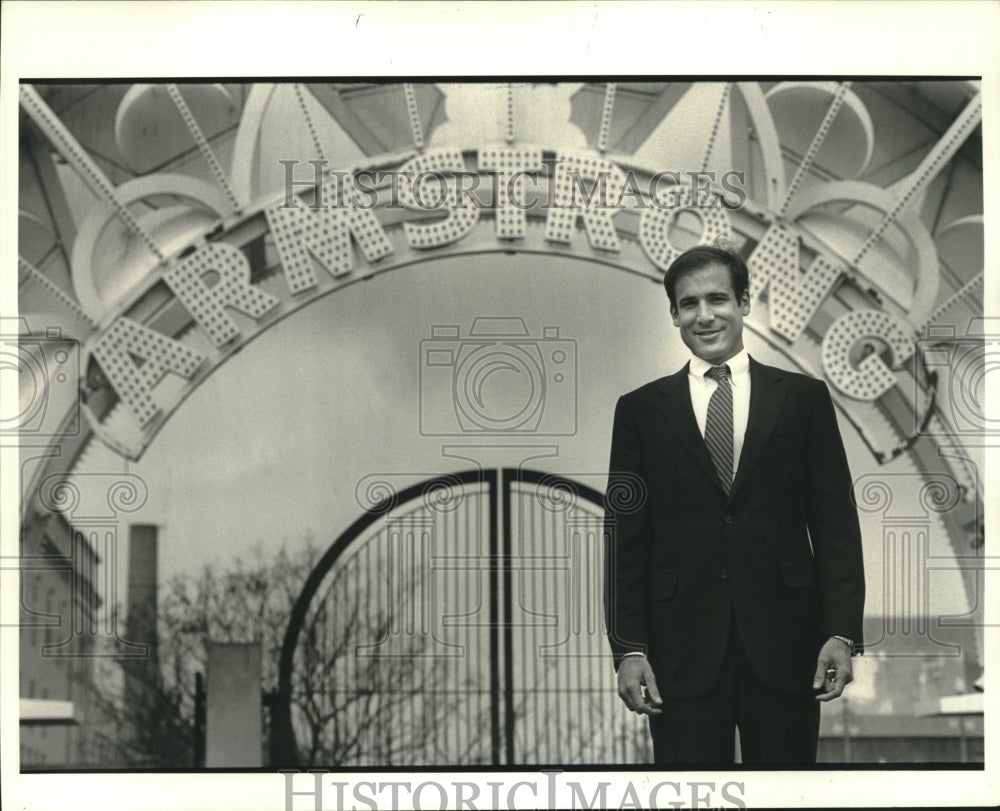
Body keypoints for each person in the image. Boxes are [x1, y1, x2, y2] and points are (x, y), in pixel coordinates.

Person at [604, 243, 865, 765]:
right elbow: (625, 543)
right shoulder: (639, 412)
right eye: (689, 304)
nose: (704, 315)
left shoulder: (804, 399)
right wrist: (629, 650)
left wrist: (841, 632)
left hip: (787, 645)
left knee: (789, 797)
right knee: (691, 798)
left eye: (718, 299)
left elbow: (835, 525)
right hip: (681, 650)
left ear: (745, 303)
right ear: (674, 314)